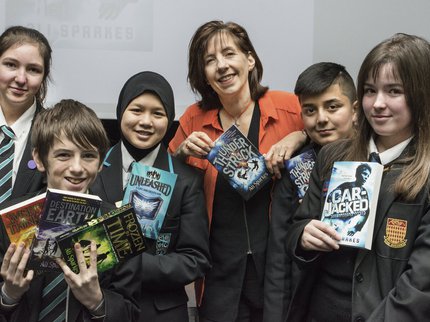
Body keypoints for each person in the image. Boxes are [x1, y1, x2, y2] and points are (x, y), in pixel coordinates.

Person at [285, 33, 430, 322]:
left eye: (393, 91)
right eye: (369, 90)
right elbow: (297, 226)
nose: (377, 103)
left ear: (420, 94)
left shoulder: (424, 173)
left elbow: (421, 285)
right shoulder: (333, 155)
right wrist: (304, 236)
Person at [168, 20, 304, 322]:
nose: (222, 66)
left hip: (278, 266)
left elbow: (331, 139)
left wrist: (298, 136)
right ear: (203, 73)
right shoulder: (193, 118)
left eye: (229, 54)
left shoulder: (289, 108)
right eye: (210, 60)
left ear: (250, 59)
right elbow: (167, 186)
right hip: (219, 269)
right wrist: (181, 153)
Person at [0, 99, 139, 321]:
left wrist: (97, 302)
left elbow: (131, 312)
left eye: (88, 156)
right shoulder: (8, 218)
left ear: (101, 162)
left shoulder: (118, 224)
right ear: (39, 159)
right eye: (63, 155)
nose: (77, 168)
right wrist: (8, 295)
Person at [91, 71, 211, 322]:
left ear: (168, 119)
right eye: (136, 110)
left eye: (158, 113)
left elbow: (194, 260)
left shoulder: (185, 180)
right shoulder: (91, 168)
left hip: (160, 313)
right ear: (120, 111)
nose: (146, 121)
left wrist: (130, 266)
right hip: (97, 307)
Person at [263, 62, 357, 322]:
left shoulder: (379, 159)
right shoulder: (293, 169)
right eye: (310, 110)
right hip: (311, 304)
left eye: (332, 106)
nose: (322, 118)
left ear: (355, 110)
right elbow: (279, 258)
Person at [0, 26, 51, 206]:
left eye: (33, 69)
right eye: (11, 65)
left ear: (44, 76)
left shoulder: (54, 132)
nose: (21, 79)